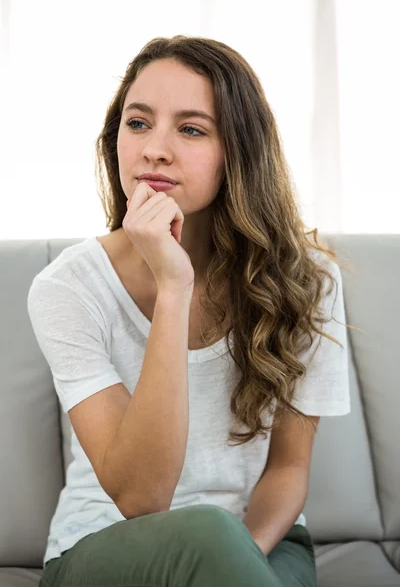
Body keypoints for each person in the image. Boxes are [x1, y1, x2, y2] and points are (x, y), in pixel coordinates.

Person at [28, 35, 354, 587]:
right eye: (138, 123)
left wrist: (234, 562)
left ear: (239, 152)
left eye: (191, 128)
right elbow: (142, 496)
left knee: (215, 537)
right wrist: (174, 287)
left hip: (262, 540)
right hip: (106, 548)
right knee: (206, 533)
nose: (154, 149)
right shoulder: (67, 288)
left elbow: (288, 470)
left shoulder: (307, 280)